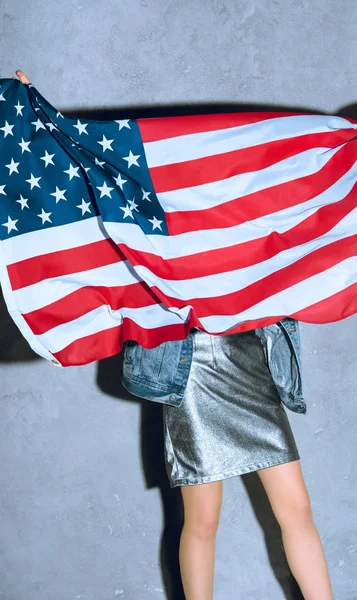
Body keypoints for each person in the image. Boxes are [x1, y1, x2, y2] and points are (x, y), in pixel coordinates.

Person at [15, 69, 334, 600]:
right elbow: (82, 181)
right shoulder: (148, 231)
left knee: (295, 508)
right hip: (190, 375)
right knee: (202, 519)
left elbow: (307, 201)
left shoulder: (243, 220)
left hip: (251, 366)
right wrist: (31, 111)